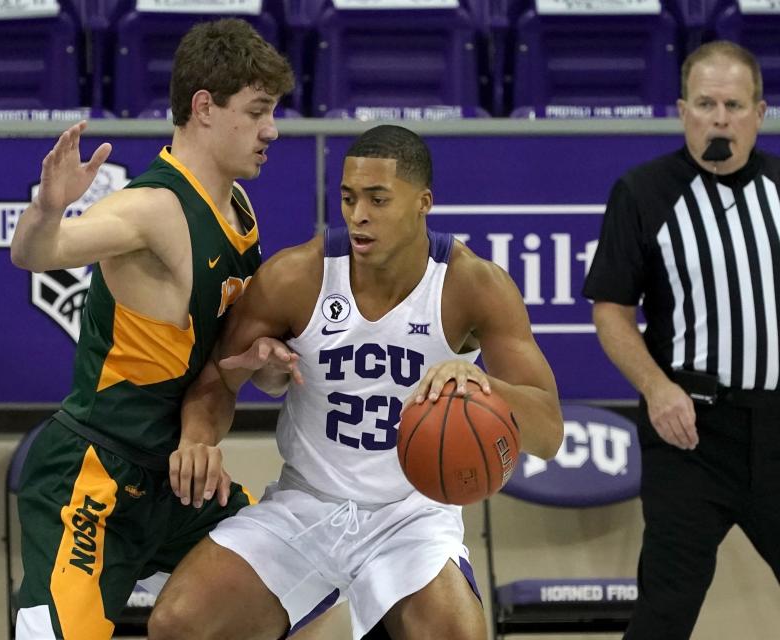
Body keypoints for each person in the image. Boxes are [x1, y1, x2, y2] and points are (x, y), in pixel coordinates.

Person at [146, 124, 564, 640]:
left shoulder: (472, 286)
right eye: (348, 198)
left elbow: (548, 433)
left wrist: (482, 384)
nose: (358, 215)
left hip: (411, 515)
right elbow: (218, 379)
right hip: (307, 503)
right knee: (176, 624)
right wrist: (197, 437)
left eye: (378, 199)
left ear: (422, 202)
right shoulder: (297, 277)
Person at [8, 18, 294, 639]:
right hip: (93, 477)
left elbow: (223, 370)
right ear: (204, 108)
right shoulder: (152, 208)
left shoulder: (240, 210)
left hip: (178, 482)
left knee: (298, 585)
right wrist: (47, 209)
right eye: (258, 111)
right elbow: (35, 254)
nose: (272, 129)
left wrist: (262, 366)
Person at [583, 41, 780, 640]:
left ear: (759, 113)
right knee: (665, 610)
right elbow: (611, 310)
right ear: (681, 111)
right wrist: (656, 387)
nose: (720, 118)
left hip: (779, 428)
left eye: (733, 104)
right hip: (690, 431)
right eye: (705, 103)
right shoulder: (643, 192)